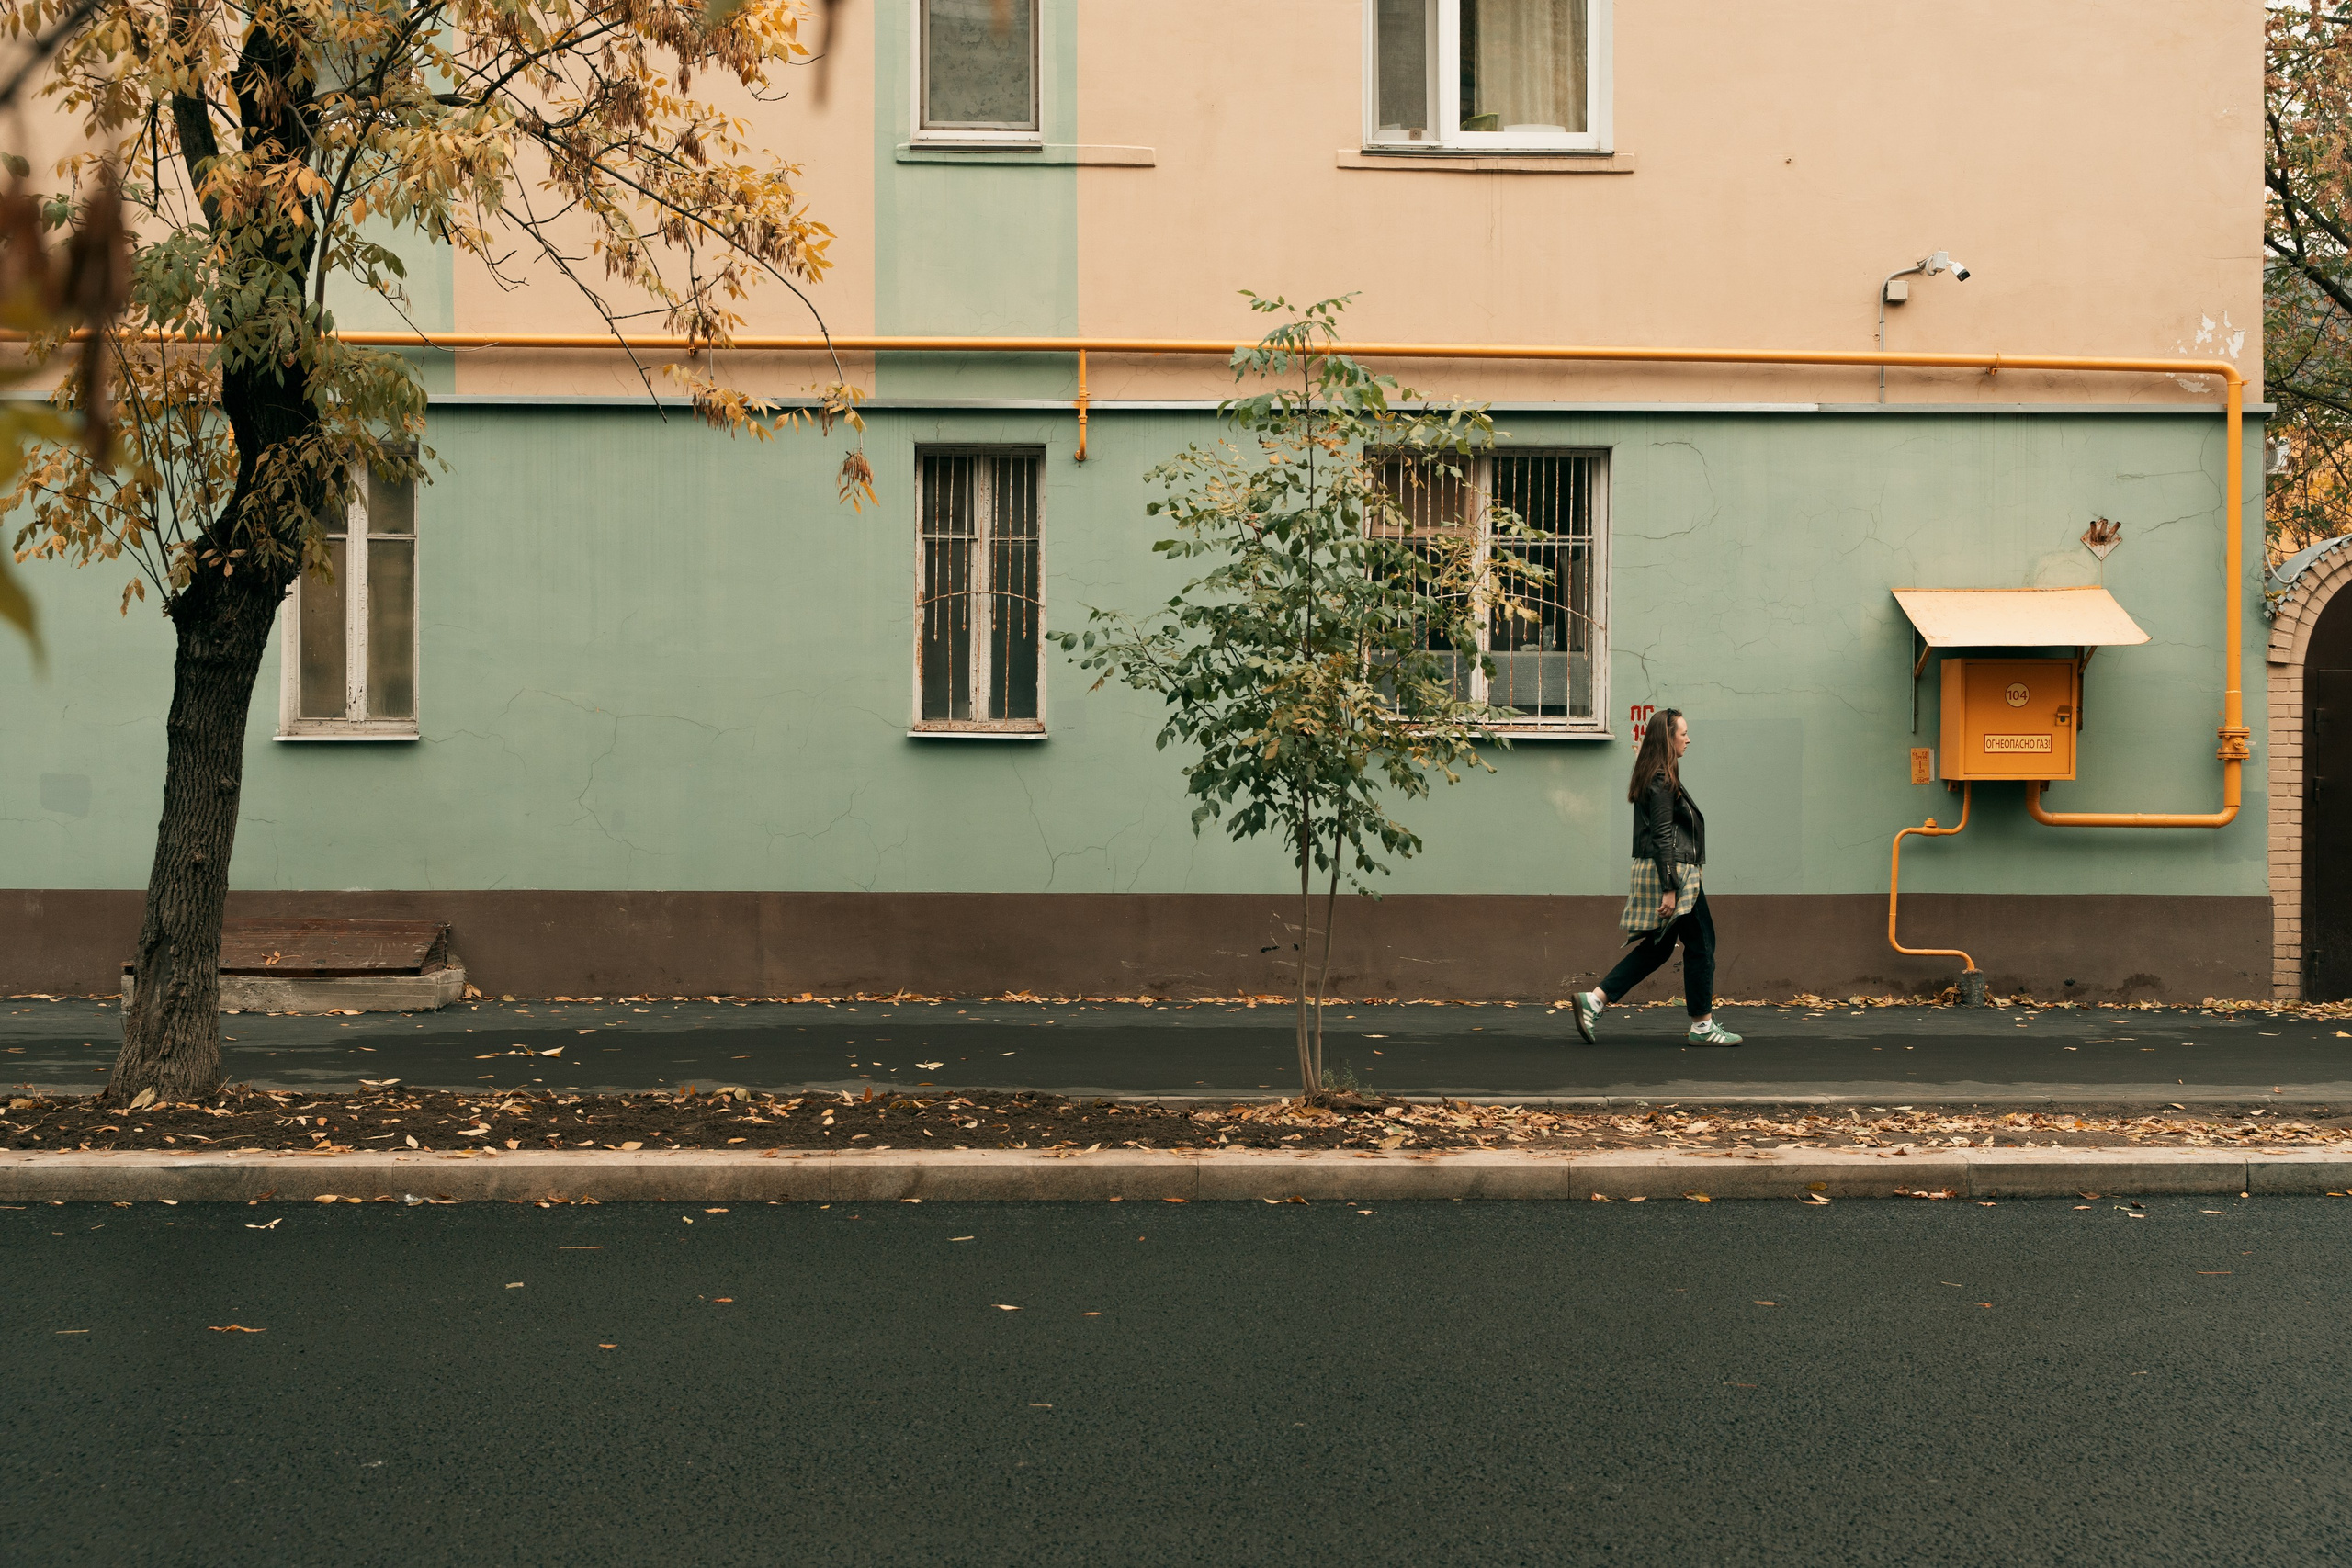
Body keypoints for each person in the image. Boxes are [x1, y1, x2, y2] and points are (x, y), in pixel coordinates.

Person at [1572, 708, 1742, 1046]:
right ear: (1669, 738)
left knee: (1658, 949)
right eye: (1683, 733)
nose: (1688, 739)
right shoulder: (1662, 779)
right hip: (1674, 871)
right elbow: (1664, 834)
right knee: (1702, 943)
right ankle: (1702, 1026)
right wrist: (1670, 888)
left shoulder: (1655, 774)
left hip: (1665, 868)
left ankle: (1594, 1001)